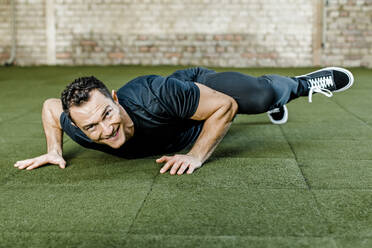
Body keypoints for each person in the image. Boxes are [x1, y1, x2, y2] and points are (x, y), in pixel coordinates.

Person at [14, 67, 354, 175]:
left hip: (189, 87)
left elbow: (223, 107)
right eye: (91, 127)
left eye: (107, 114)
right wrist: (54, 150)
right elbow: (48, 107)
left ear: (115, 99)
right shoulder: (79, 124)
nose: (105, 130)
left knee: (256, 97)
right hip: (180, 114)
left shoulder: (158, 95)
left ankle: (298, 85)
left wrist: (195, 155)